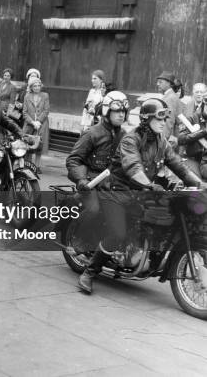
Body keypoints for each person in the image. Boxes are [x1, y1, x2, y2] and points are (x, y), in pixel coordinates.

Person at [77, 98, 207, 294]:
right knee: (118, 233)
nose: (164, 122)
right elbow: (132, 166)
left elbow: (179, 166)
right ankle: (89, 272)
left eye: (165, 118)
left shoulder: (161, 141)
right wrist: (149, 184)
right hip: (117, 193)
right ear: (146, 119)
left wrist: (199, 184)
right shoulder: (131, 139)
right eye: (159, 118)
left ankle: (143, 253)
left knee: (161, 218)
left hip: (141, 194)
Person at [66, 91, 129, 223]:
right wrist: (82, 180)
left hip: (112, 183)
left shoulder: (124, 135)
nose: (121, 114)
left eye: (124, 111)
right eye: (117, 111)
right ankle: (79, 238)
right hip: (91, 182)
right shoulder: (92, 133)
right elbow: (74, 160)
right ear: (106, 111)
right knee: (93, 209)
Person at [23, 77, 49, 171]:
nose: (37, 87)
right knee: (28, 144)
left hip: (41, 124)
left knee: (39, 145)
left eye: (39, 85)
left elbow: (46, 110)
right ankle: (28, 165)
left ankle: (37, 166)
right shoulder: (27, 96)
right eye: (35, 86)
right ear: (31, 87)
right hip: (30, 124)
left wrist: (38, 121)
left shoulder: (45, 95)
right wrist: (32, 122)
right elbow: (24, 112)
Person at [178, 94, 207, 179]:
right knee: (195, 190)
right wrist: (203, 132)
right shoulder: (194, 117)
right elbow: (181, 139)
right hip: (196, 159)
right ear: (204, 105)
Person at [156, 71, 182, 145]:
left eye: (160, 82)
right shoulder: (170, 96)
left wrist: (162, 140)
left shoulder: (170, 98)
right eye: (158, 82)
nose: (157, 84)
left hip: (168, 141)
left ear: (169, 83)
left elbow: (168, 121)